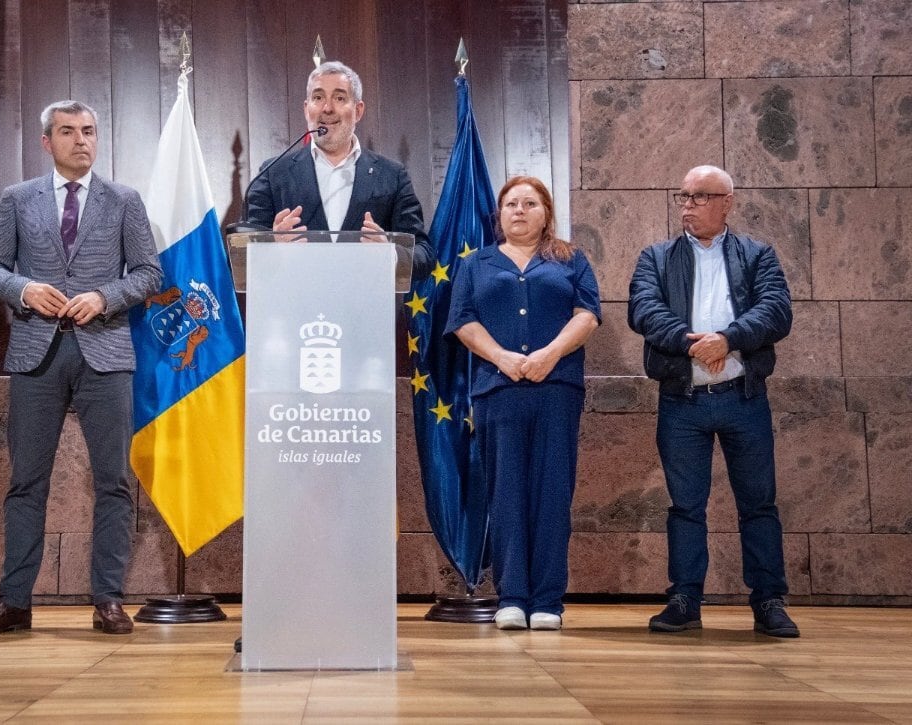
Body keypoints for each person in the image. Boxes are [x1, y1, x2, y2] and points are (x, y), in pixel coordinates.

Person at [0, 100, 162, 636]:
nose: (82, 141)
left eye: (90, 131)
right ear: (46, 141)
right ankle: (14, 602)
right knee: (26, 482)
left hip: (105, 352)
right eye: (69, 132)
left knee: (114, 481)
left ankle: (109, 599)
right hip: (37, 353)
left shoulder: (124, 200)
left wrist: (105, 295)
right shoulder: (17, 198)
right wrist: (24, 289)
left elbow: (148, 271)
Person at [628, 165, 799, 638]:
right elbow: (643, 310)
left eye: (700, 196)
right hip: (682, 400)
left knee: (759, 504)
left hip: (744, 397)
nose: (688, 205)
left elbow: (776, 310)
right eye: (683, 196)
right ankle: (685, 598)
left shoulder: (757, 254)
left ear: (728, 202)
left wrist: (727, 338)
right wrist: (693, 344)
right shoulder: (656, 257)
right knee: (686, 505)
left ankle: (768, 601)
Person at [445, 176, 600, 631]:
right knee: (506, 491)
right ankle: (512, 596)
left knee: (553, 492)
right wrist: (502, 357)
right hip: (499, 390)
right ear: (500, 213)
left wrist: (549, 355)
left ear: (546, 212)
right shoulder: (477, 264)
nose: (519, 210)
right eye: (510, 203)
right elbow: (462, 320)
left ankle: (548, 600)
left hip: (557, 389)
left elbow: (588, 315)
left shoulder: (571, 260)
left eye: (529, 203)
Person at [243, 60, 434, 280]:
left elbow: (424, 254)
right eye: (318, 97)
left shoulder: (392, 175)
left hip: (365, 309)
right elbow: (242, 258)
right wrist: (272, 246)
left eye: (339, 97)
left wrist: (389, 254)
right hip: (295, 308)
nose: (327, 108)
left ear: (358, 110)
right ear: (306, 109)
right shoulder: (272, 173)